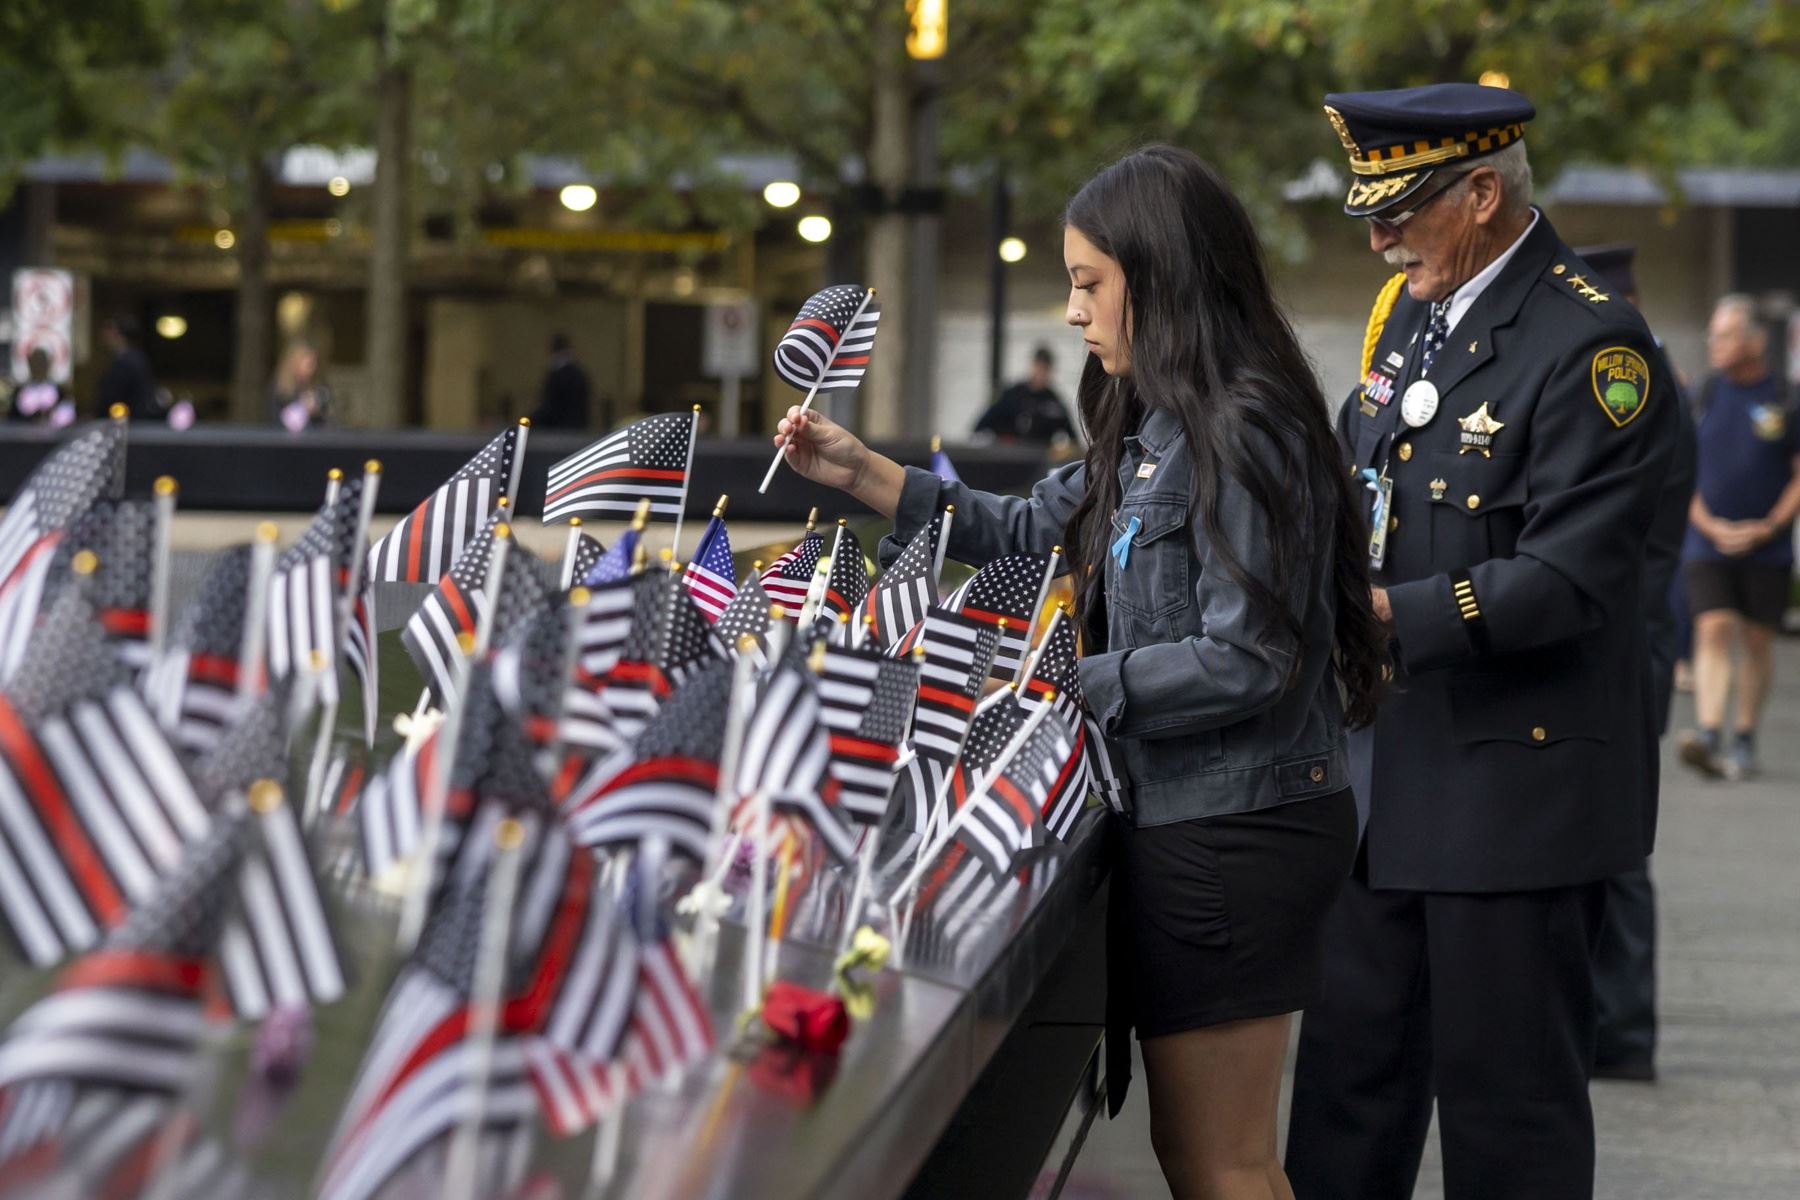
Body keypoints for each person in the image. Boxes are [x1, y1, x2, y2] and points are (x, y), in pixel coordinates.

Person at [775, 145, 1388, 1200]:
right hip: (1197, 817)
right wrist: (861, 470)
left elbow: (1252, 661)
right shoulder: (1156, 420)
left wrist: (1058, 681)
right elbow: (1029, 531)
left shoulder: (1245, 428)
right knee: (1199, 1156)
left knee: (1225, 1161)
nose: (1072, 311)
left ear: (1160, 278)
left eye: (1088, 281)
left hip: (1236, 830)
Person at [1285, 83, 1675, 1200]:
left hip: (1515, 801)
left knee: (1510, 1127)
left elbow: (1572, 577)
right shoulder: (1413, 315)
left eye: (1400, 210)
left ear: (1483, 193)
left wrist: (1389, 615)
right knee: (1344, 1106)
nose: (1377, 236)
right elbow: (1373, 494)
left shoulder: (1594, 343)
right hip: (1385, 783)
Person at [1576, 243, 1697, 1083]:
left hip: (1628, 641)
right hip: (1641, 634)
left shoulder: (1628, 383)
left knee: (1615, 848)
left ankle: (1621, 1028)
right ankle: (1616, 1024)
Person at [1676, 294, 1800, 780]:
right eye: (1713, 335)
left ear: (1756, 341)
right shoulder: (1702, 394)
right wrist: (1708, 524)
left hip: (1766, 543)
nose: (1715, 344)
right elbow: (1679, 469)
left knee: (1756, 638)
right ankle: (1709, 731)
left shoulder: (1785, 399)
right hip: (1707, 538)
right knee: (1712, 627)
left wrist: (1769, 526)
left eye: (1726, 335)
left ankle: (1744, 735)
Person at [973, 345, 1076, 443]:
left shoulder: (1054, 402)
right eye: (1038, 367)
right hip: (1008, 455)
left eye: (1044, 369)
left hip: (1040, 457)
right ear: (1032, 366)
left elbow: (1072, 438)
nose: (1040, 373)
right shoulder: (1011, 395)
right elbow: (981, 425)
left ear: (1050, 371)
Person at [96, 315, 161, 421]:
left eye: (108, 329)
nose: (103, 335)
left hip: (130, 423)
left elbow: (116, 396)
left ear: (117, 333)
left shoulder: (129, 361)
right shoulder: (129, 358)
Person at [529, 333, 592, 429]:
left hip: (558, 430)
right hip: (577, 428)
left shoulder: (557, 375)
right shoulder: (579, 373)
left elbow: (551, 407)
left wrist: (532, 420)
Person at [269, 340, 333, 431]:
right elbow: (276, 421)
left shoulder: (320, 387)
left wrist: (316, 411)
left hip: (314, 440)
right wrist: (303, 409)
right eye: (308, 364)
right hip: (285, 441)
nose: (312, 368)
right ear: (294, 363)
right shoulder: (279, 388)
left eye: (313, 363)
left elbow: (327, 421)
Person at [8, 347, 75, 427]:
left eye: (42, 362)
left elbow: (67, 422)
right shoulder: (19, 392)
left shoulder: (60, 392)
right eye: (35, 362)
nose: (38, 366)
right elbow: (12, 421)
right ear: (29, 364)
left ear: (49, 364)